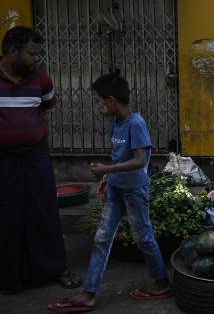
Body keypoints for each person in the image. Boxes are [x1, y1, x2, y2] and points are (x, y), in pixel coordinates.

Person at [48, 73, 170, 312]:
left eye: (98, 101)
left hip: (134, 190)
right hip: (116, 188)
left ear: (111, 100)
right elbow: (120, 157)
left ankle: (162, 282)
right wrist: (108, 176)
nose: (98, 105)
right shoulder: (116, 122)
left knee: (144, 238)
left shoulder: (136, 123)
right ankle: (89, 294)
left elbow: (138, 161)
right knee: (101, 238)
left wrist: (107, 169)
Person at [0, 26, 81, 294]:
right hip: (4, 159)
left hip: (35, 155)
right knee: (8, 213)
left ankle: (55, 268)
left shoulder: (41, 79)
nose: (37, 59)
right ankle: (10, 276)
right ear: (13, 51)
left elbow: (47, 105)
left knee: (44, 210)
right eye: (32, 53)